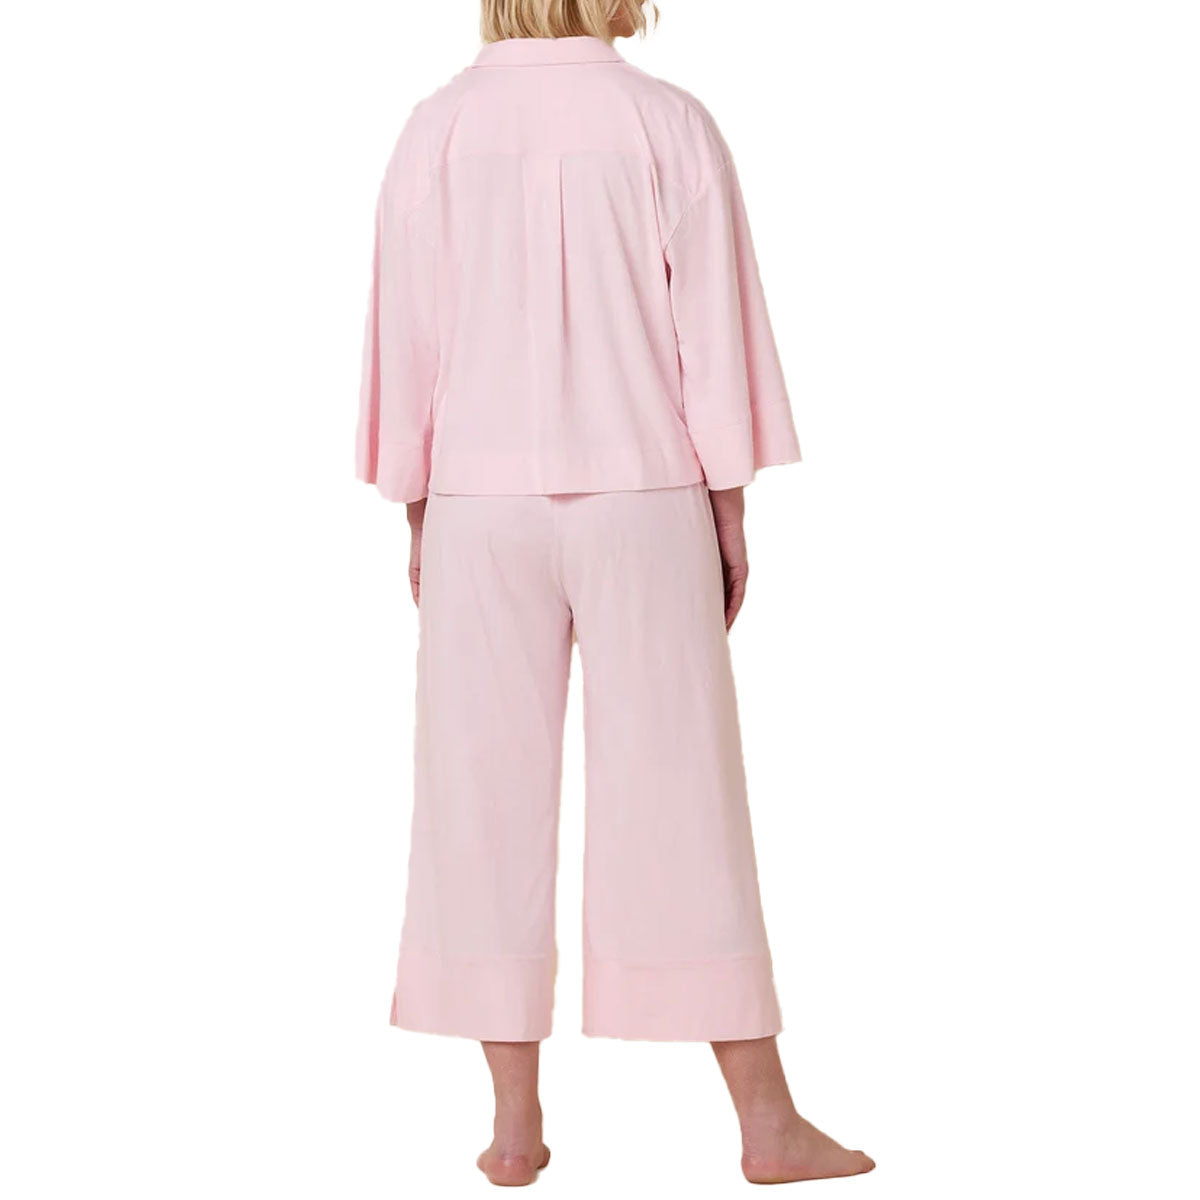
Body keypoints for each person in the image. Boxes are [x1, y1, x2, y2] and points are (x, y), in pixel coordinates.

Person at [356, 0, 874, 1186]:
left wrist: (419, 506)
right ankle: (766, 1123)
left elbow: (408, 334)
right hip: (645, 492)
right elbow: (714, 333)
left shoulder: (436, 129)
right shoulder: (666, 122)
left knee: (475, 801)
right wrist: (728, 508)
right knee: (683, 795)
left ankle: (515, 1126)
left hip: (478, 500)